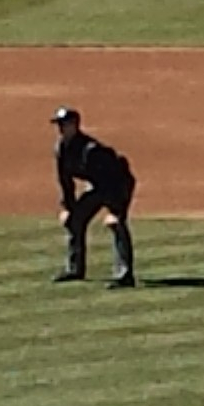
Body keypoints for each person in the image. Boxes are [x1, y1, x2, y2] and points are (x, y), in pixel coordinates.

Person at [52, 106, 137, 287]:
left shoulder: (92, 151)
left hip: (118, 184)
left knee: (117, 225)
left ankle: (125, 275)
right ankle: (75, 269)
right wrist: (68, 207)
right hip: (98, 185)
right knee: (75, 220)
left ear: (74, 125)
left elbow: (114, 178)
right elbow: (65, 180)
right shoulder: (61, 148)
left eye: (64, 124)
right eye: (58, 124)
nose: (60, 128)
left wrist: (116, 210)